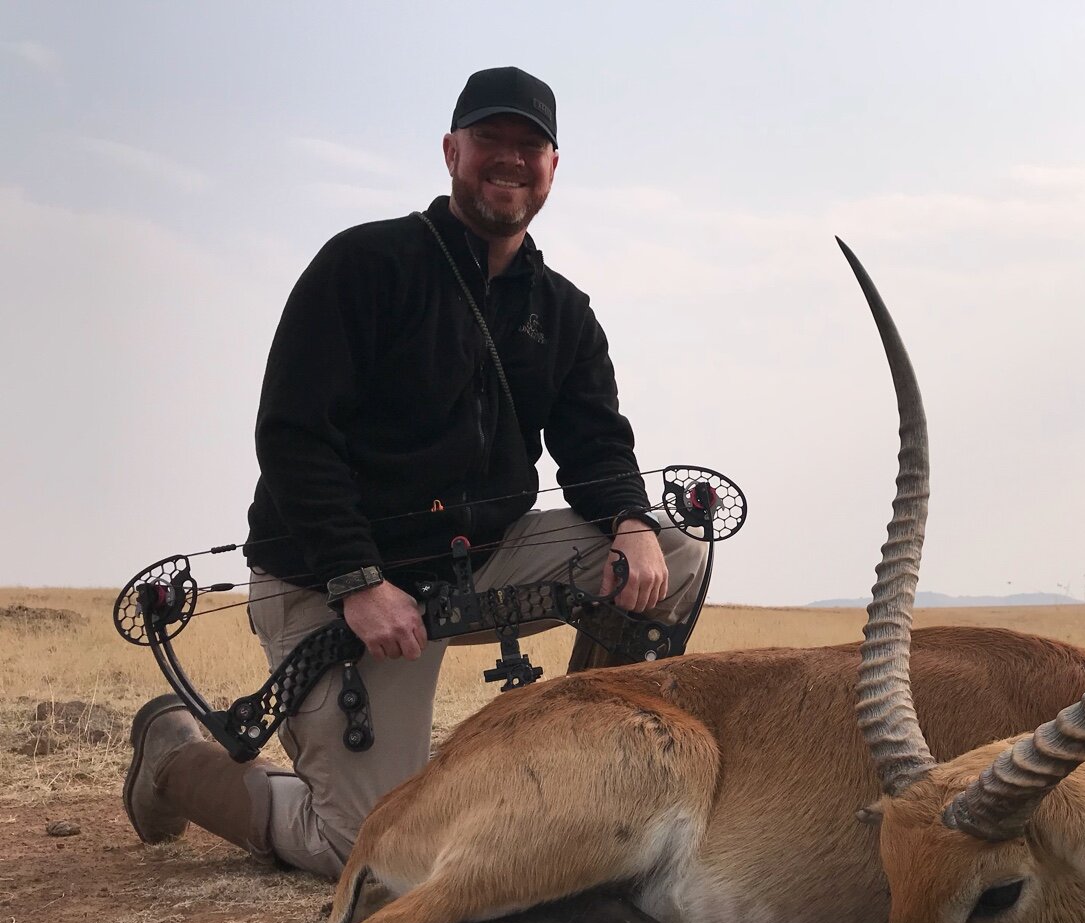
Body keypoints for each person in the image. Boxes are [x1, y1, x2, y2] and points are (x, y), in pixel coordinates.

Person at [121, 67, 709, 879]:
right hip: (335, 585)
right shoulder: (364, 264)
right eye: (490, 142)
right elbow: (294, 437)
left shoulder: (564, 311)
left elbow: (597, 445)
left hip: (471, 570)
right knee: (372, 851)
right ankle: (174, 758)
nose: (509, 160)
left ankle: (583, 773)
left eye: (528, 146)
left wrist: (634, 524)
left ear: (552, 167)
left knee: (676, 545)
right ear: (451, 152)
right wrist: (359, 580)